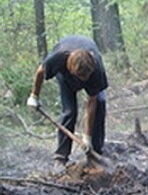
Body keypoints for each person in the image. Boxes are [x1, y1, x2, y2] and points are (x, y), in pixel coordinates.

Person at [27, 35, 108, 164]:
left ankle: (95, 151)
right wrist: (34, 96)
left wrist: (87, 137)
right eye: (81, 77)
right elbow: (40, 72)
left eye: (86, 76)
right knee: (70, 111)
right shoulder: (58, 58)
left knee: (100, 103)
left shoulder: (96, 68)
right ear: (71, 69)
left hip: (90, 69)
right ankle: (61, 155)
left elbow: (91, 102)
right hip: (66, 77)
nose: (84, 80)